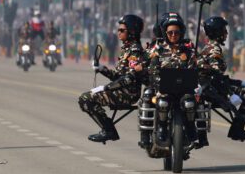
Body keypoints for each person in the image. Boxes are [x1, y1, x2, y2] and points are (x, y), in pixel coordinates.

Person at [81, 15, 148, 144]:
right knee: (86, 98)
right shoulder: (126, 49)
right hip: (120, 89)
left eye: (122, 30)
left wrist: (105, 88)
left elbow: (129, 79)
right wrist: (101, 68)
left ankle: (108, 130)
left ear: (132, 32)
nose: (118, 32)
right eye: (118, 30)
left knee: (86, 99)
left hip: (128, 93)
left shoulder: (135, 51)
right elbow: (118, 76)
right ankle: (108, 129)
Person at [198, 16, 245, 141]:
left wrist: (240, 82)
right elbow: (216, 76)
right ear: (217, 32)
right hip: (213, 90)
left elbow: (216, 76)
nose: (226, 33)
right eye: (223, 30)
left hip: (212, 87)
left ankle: (237, 129)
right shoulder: (214, 50)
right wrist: (230, 93)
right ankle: (237, 131)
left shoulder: (209, 48)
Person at [146, 15, 198, 143]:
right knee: (163, 102)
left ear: (181, 33)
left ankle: (191, 126)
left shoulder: (189, 51)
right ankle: (162, 127)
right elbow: (153, 71)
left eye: (176, 32)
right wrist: (160, 83)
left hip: (184, 90)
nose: (173, 35)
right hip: (164, 89)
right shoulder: (158, 51)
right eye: (170, 32)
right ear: (165, 33)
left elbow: (194, 69)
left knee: (190, 103)